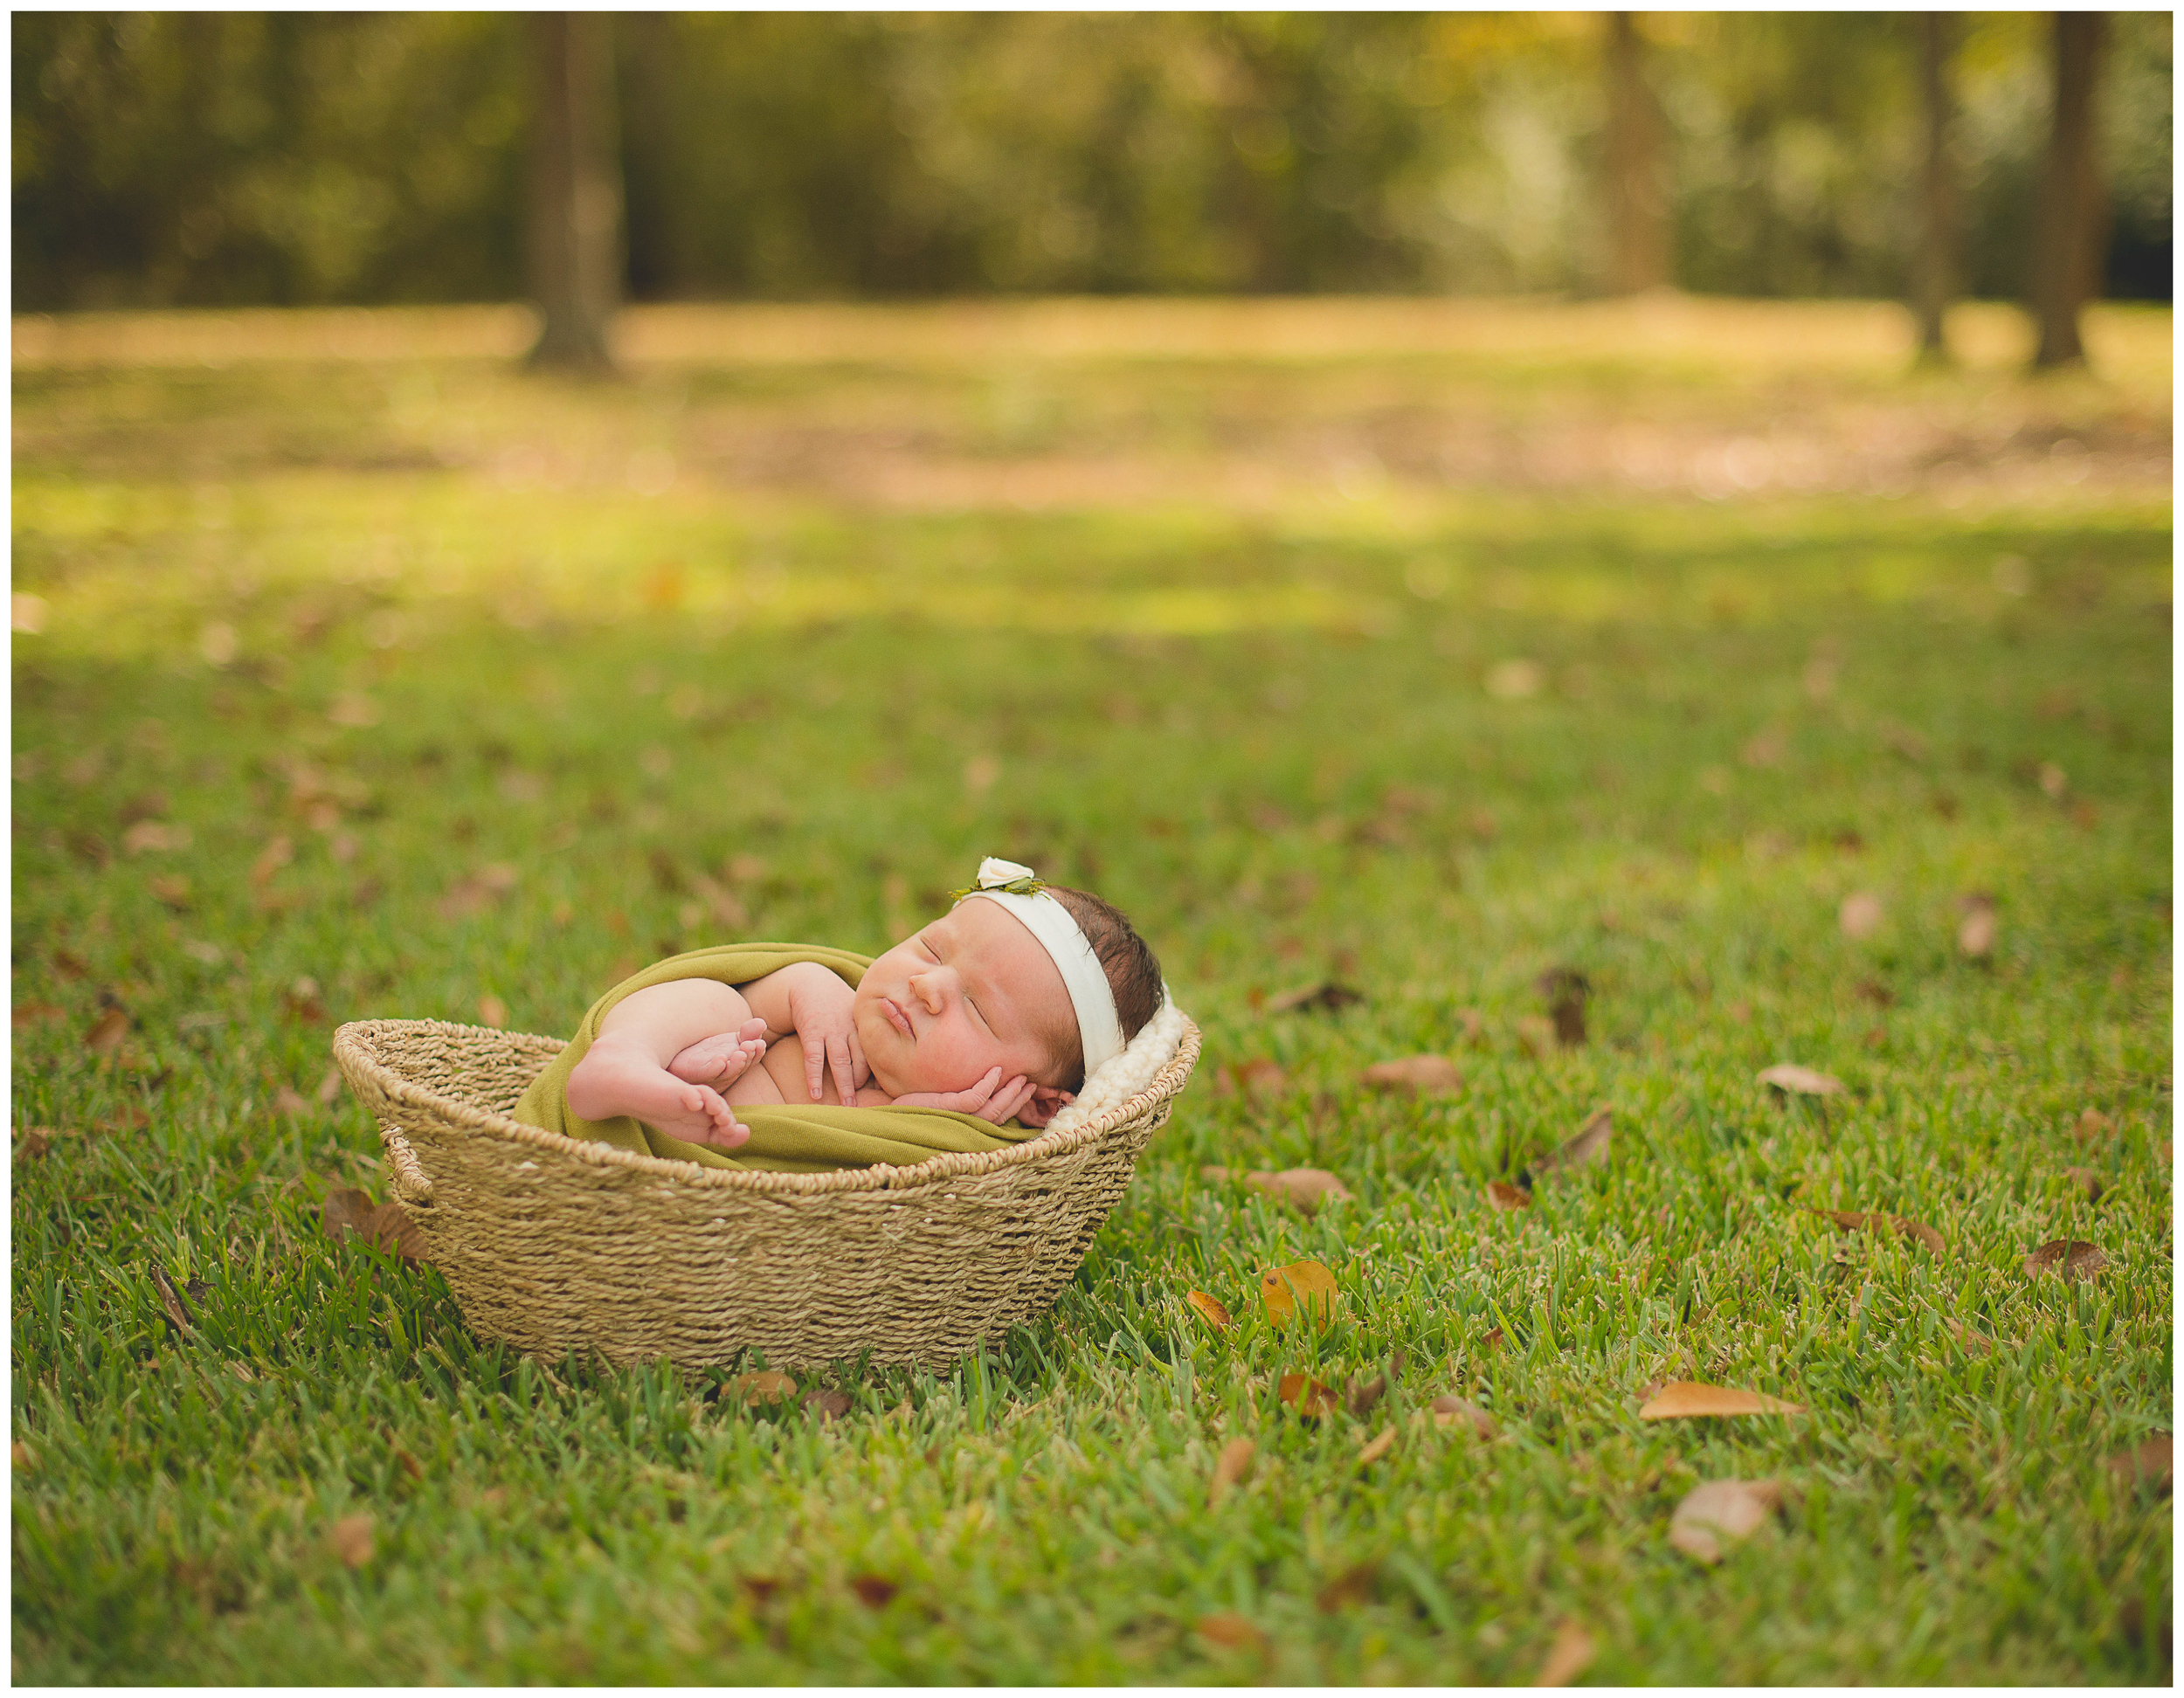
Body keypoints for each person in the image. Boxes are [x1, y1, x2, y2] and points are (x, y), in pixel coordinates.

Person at [515, 859, 1165, 1169]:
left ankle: (659, 1097)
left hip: (703, 1183)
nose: (929, 986)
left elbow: (857, 1185)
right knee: (715, 1000)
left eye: (979, 1010)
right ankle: (624, 1059)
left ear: (1039, 1104)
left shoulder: (956, 1147)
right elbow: (753, 1002)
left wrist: (913, 1124)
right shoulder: (848, 1007)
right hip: (651, 1088)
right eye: (932, 948)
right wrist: (805, 984)